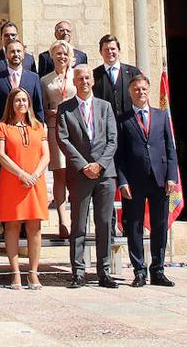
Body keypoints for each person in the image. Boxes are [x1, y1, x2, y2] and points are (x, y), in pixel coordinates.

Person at [56, 64, 119, 289]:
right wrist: (84, 166)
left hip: (105, 175)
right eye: (79, 78)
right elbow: (63, 140)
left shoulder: (105, 107)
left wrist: (100, 165)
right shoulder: (66, 109)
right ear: (74, 82)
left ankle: (104, 271)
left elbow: (113, 140)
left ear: (93, 80)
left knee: (103, 223)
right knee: (78, 225)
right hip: (79, 174)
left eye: (87, 78)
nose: (84, 81)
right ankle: (78, 272)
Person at [116, 74, 178, 287]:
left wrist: (172, 176)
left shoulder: (161, 116)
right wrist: (122, 181)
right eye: (136, 89)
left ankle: (158, 270)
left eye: (143, 89)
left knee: (160, 226)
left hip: (160, 179)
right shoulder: (123, 120)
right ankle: (139, 271)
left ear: (148, 90)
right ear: (130, 92)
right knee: (134, 227)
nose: (140, 93)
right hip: (134, 181)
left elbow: (170, 149)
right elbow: (120, 155)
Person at [0, 87, 49, 290]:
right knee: (13, 226)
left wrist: (34, 174)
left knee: (35, 228)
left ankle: (33, 272)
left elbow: (46, 155)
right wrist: (21, 174)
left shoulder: (38, 127)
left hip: (35, 181)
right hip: (13, 182)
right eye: (17, 100)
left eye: (25, 100)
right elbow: (1, 155)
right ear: (11, 103)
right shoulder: (2, 127)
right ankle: (15, 272)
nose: (22, 104)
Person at [40, 39, 78, 238]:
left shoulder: (77, 76)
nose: (61, 57)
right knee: (59, 174)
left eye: (65, 53)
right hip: (56, 128)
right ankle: (63, 220)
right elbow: (43, 107)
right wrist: (50, 112)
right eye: (58, 54)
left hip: (76, 129)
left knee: (77, 172)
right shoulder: (46, 80)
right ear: (52, 56)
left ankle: (77, 220)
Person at [0, 40, 45, 126]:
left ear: (23, 54)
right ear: (6, 55)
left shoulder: (33, 78)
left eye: (18, 51)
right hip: (4, 129)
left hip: (28, 128)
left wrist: (39, 128)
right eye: (12, 51)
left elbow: (38, 106)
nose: (16, 54)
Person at [92, 34, 141, 118]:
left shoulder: (133, 72)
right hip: (105, 123)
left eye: (113, 49)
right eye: (106, 49)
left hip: (130, 121)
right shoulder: (94, 75)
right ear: (100, 52)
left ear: (119, 51)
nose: (110, 52)